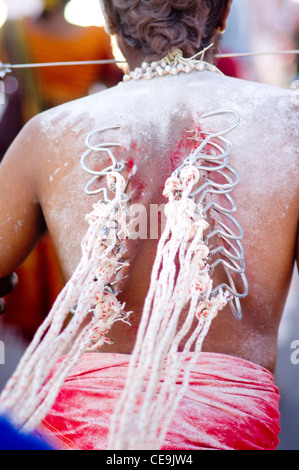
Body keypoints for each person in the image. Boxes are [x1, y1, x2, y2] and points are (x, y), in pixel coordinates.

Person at [0, 0, 298, 450]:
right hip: (229, 428)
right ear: (224, 15)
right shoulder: (289, 124)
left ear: (108, 19)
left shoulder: (48, 133)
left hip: (79, 430)